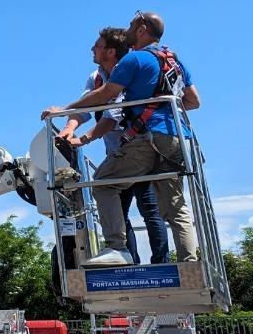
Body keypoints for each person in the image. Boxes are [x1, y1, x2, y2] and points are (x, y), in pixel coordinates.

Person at [41, 11, 200, 266]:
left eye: (131, 23)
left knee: (103, 183)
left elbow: (107, 95)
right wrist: (161, 103)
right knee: (175, 207)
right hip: (177, 137)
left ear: (141, 29)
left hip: (147, 139)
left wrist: (64, 110)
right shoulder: (174, 61)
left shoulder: (134, 59)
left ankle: (118, 248)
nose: (127, 28)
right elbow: (193, 101)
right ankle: (189, 265)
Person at [57, 27, 169, 265]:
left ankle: (161, 262)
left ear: (109, 51)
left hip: (137, 150)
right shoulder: (96, 77)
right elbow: (85, 107)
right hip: (116, 154)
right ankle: (129, 261)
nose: (92, 49)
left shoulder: (126, 74)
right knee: (119, 211)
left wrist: (83, 138)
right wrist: (69, 127)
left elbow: (111, 117)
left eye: (97, 46)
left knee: (149, 208)